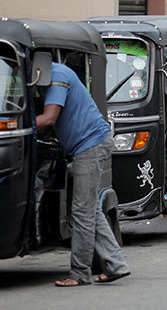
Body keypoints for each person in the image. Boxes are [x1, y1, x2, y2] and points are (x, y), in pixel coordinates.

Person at [36, 62, 130, 287]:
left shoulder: (57, 75)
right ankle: (116, 264)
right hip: (88, 144)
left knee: (81, 210)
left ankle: (79, 273)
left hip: (89, 145)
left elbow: (48, 118)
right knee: (89, 208)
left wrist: (9, 125)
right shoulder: (49, 74)